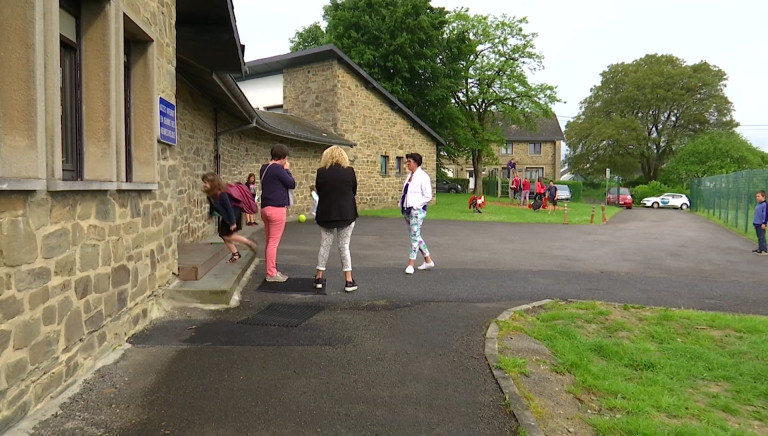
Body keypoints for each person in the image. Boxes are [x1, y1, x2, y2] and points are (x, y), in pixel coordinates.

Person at [313, 146, 359, 293]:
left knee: (324, 246)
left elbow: (319, 191)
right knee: (344, 247)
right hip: (346, 213)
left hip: (326, 214)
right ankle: (349, 280)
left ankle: (319, 278)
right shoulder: (349, 171)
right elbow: (354, 191)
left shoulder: (321, 172)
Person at [259, 144, 296, 282]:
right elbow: (291, 183)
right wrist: (287, 170)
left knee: (269, 241)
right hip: (277, 208)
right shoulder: (279, 169)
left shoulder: (265, 168)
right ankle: (271, 273)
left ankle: (271, 270)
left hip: (265, 208)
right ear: (283, 157)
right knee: (273, 242)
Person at [201, 172, 257, 263]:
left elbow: (229, 208)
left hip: (233, 215)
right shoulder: (211, 194)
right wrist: (210, 215)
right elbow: (213, 205)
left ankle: (249, 242)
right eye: (204, 182)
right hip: (227, 217)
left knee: (229, 236)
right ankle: (236, 254)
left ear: (213, 183)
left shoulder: (222, 194)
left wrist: (232, 222)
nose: (204, 184)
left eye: (206, 182)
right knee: (223, 235)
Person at [400, 152, 434, 274]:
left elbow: (428, 196)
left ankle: (411, 264)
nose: (407, 164)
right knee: (416, 236)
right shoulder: (410, 175)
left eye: (409, 161)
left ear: (416, 163)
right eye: (407, 161)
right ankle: (428, 260)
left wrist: (416, 206)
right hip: (407, 210)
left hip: (417, 211)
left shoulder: (423, 176)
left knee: (414, 237)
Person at [753, 190, 767, 255]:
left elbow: (765, 214)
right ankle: (760, 249)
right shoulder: (758, 205)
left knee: (762, 237)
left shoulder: (765, 205)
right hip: (757, 223)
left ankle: (764, 250)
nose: (757, 198)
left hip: (761, 224)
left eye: (758, 196)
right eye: (756, 196)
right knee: (759, 237)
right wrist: (754, 223)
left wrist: (764, 223)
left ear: (763, 196)